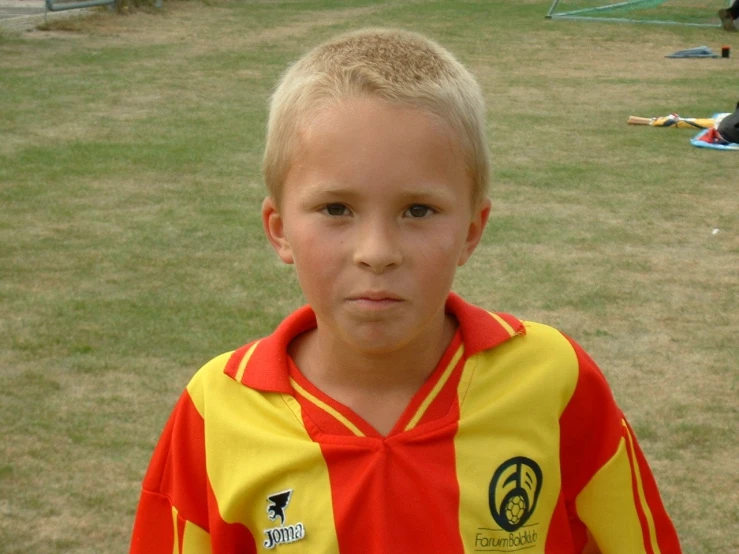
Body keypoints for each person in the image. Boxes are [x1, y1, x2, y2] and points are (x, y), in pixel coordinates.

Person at [129, 28, 682, 553]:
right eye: (336, 209)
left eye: (419, 210)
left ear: (470, 230)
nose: (377, 250)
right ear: (280, 230)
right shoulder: (217, 410)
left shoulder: (554, 381)